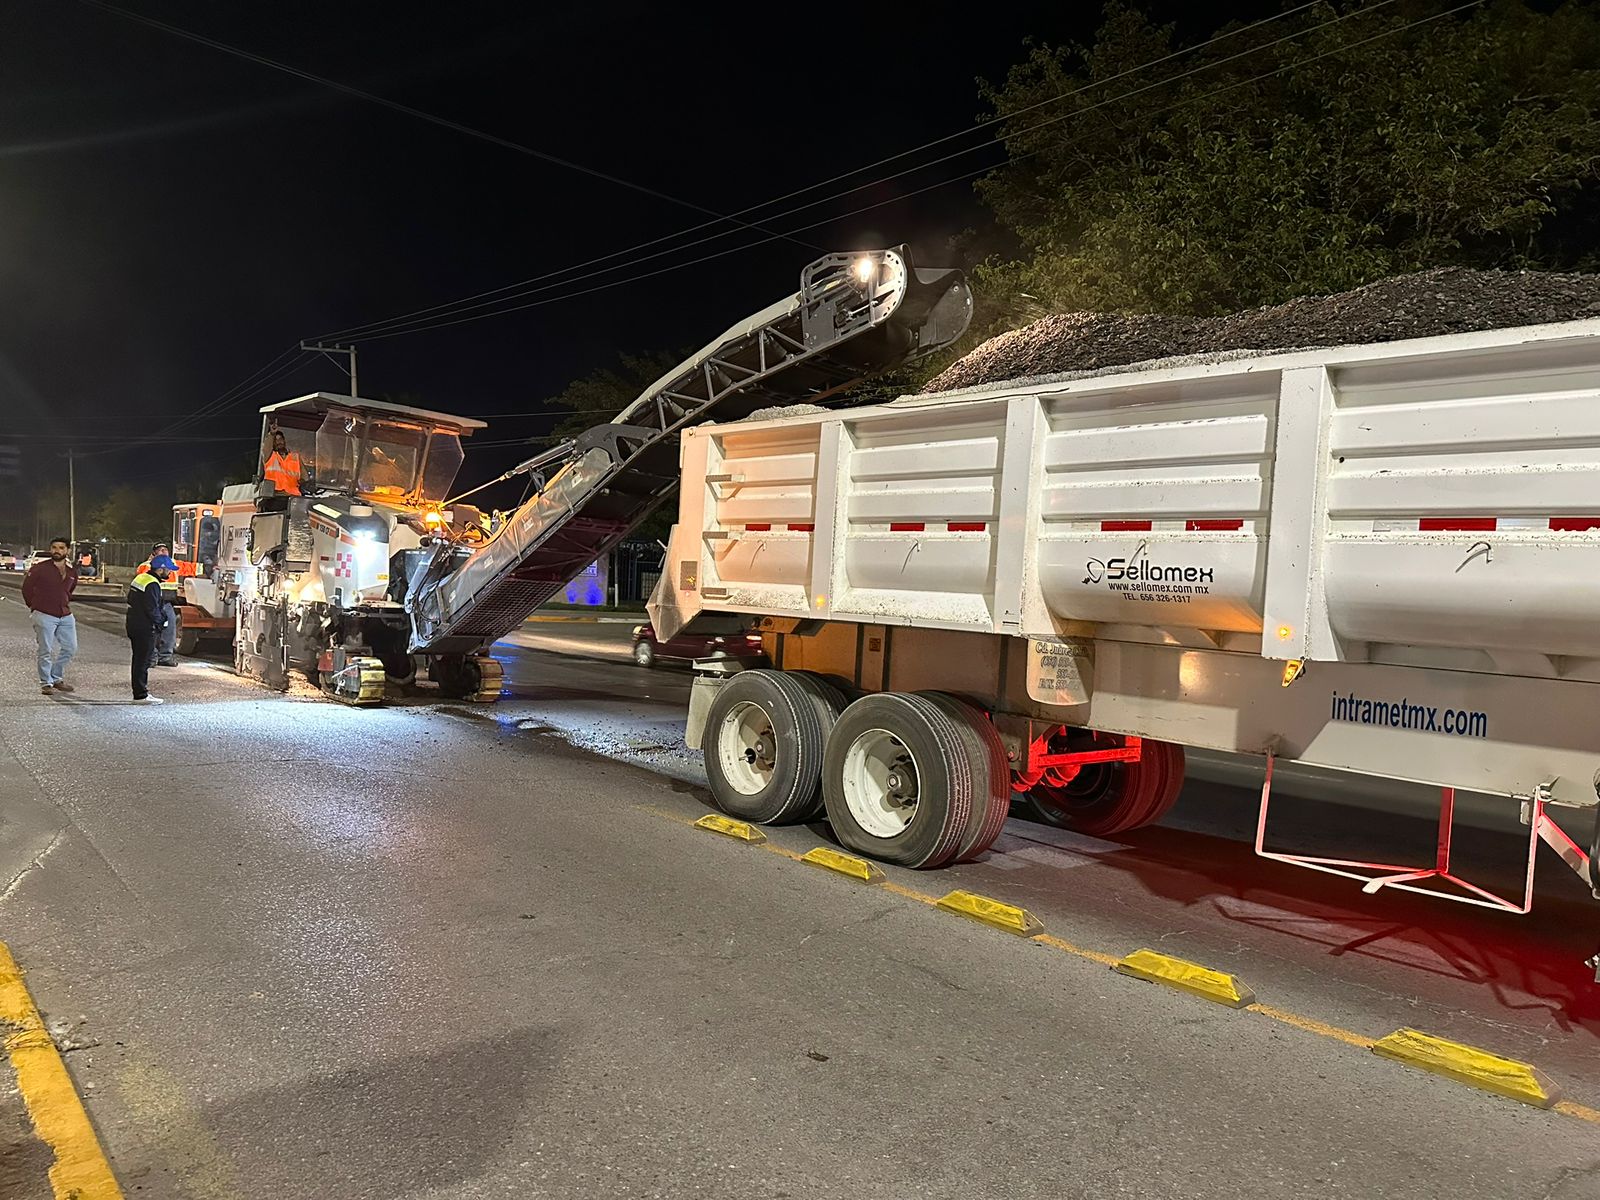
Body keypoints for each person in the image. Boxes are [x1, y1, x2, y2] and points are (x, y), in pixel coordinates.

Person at [22, 537, 78, 695]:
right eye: (54, 547)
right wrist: (34, 607)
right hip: (44, 614)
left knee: (70, 648)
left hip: (65, 615)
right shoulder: (39, 569)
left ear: (67, 550)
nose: (57, 551)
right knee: (45, 650)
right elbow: (26, 589)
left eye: (61, 548)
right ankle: (46, 683)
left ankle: (56, 677)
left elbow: (70, 590)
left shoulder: (72, 572)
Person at [125, 562, 168, 704]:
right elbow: (152, 609)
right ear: (160, 569)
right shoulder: (153, 584)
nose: (170, 573)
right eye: (168, 569)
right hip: (145, 626)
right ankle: (141, 695)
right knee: (143, 661)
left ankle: (139, 692)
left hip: (133, 622)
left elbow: (130, 599)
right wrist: (161, 622)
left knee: (138, 659)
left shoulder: (141, 578)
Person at [137, 544, 181, 666]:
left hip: (167, 602)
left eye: (165, 549)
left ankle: (165, 657)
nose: (164, 551)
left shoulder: (172, 563)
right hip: (154, 602)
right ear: (154, 553)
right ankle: (151, 657)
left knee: (169, 629)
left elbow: (190, 568)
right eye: (160, 550)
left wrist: (209, 567)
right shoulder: (146, 566)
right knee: (153, 631)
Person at [263, 429, 302, 495]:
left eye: (280, 439)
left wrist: (302, 482)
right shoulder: (269, 456)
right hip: (273, 496)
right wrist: (272, 433)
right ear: (272, 443)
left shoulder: (295, 457)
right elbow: (266, 448)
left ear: (284, 441)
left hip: (293, 497)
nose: (278, 442)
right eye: (275, 440)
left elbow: (305, 477)